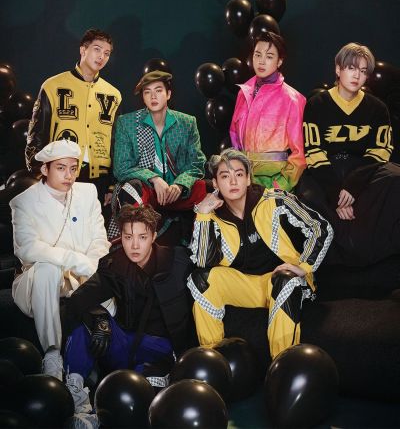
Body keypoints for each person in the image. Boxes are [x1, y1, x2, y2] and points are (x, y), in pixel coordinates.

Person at [187, 148, 333, 359]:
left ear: (248, 179)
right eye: (225, 176)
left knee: (284, 279)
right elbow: (202, 261)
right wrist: (202, 214)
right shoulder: (212, 215)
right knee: (201, 280)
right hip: (246, 286)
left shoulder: (274, 200)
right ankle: (212, 360)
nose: (233, 182)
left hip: (281, 281)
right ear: (216, 184)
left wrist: (303, 267)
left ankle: (282, 364)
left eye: (239, 174)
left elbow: (321, 228)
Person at [62, 203, 194, 415]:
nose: (134, 245)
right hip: (126, 343)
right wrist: (99, 318)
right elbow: (78, 300)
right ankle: (75, 396)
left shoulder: (178, 261)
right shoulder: (115, 264)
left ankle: (99, 416)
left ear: (153, 236)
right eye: (128, 237)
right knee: (81, 324)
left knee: (139, 398)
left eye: (142, 237)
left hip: (161, 351)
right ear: (121, 237)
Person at [10, 140, 110, 381]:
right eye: (61, 168)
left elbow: (99, 239)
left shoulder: (88, 193)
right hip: (37, 283)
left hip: (81, 278)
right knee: (47, 268)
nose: (69, 176)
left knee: (112, 278)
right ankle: (52, 353)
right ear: (45, 169)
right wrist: (73, 259)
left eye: (73, 168)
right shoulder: (24, 202)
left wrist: (91, 266)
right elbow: (27, 248)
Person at [297, 42, 400, 265]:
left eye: (363, 71)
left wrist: (353, 185)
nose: (357, 76)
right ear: (338, 69)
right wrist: (337, 195)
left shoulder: (377, 108)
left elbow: (380, 151)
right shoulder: (316, 104)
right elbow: (314, 152)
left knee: (395, 177)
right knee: (307, 196)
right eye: (351, 68)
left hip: (364, 169)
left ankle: (374, 251)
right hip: (326, 168)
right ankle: (333, 257)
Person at [25, 28, 122, 208]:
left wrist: (112, 184)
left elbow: (116, 143)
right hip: (61, 174)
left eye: (107, 53)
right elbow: (37, 134)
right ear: (83, 50)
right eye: (97, 49)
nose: (101, 56)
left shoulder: (114, 95)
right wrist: (39, 173)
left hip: (99, 179)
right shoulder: (52, 86)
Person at [110, 70, 208, 240]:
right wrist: (154, 179)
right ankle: (134, 241)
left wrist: (180, 184)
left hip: (178, 192)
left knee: (204, 187)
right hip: (148, 191)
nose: (153, 96)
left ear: (168, 94)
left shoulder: (187, 122)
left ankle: (198, 242)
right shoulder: (127, 123)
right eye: (147, 92)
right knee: (131, 188)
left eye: (158, 90)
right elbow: (121, 167)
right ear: (143, 97)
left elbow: (197, 163)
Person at [230, 31, 306, 191]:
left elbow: (299, 153)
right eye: (258, 55)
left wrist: (281, 185)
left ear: (280, 61)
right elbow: (234, 135)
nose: (261, 61)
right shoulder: (243, 93)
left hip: (274, 182)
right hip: (244, 180)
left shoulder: (292, 99)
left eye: (269, 56)